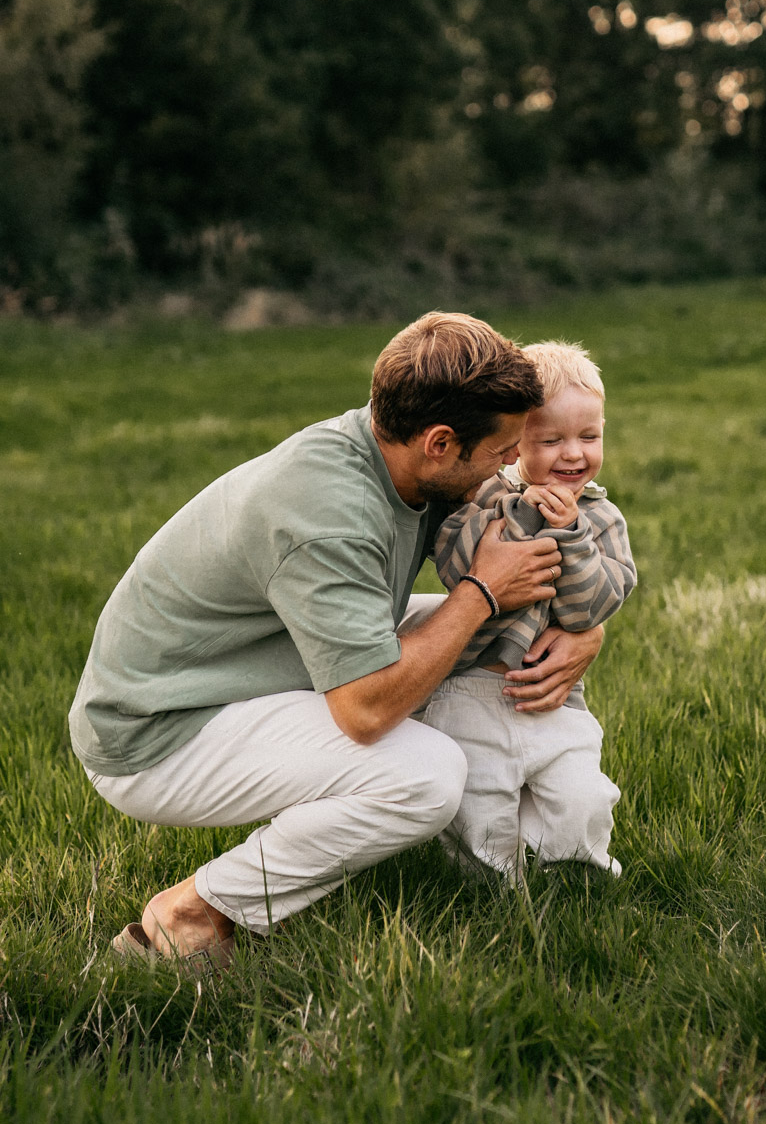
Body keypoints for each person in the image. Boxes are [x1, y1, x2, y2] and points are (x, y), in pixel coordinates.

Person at [69, 312, 605, 968]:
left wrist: (584, 629)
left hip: (256, 673)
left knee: (513, 641)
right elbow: (366, 710)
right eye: (501, 452)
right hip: (160, 731)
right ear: (440, 443)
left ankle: (527, 855)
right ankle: (189, 914)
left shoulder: (404, 449)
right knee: (427, 777)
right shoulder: (328, 514)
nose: (516, 463)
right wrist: (482, 593)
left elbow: (534, 557)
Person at [421, 341, 636, 880]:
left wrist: (571, 535)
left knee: (582, 796)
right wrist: (518, 514)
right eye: (551, 439)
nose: (573, 454)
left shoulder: (600, 519)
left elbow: (592, 607)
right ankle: (491, 898)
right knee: (481, 812)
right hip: (472, 691)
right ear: (516, 444)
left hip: (555, 698)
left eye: (589, 436)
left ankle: (578, 881)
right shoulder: (482, 498)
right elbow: (455, 567)